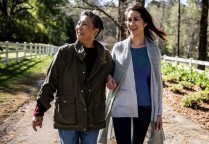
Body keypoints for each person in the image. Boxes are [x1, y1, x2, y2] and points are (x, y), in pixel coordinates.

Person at [32, 10, 114, 144]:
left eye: (85, 24)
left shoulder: (105, 57)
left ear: (95, 31)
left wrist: (109, 76)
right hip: (67, 117)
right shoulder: (64, 53)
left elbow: (113, 69)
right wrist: (38, 112)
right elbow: (50, 83)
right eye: (78, 23)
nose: (79, 27)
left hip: (93, 118)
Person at [98, 3, 166, 144]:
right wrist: (109, 78)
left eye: (136, 19)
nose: (131, 23)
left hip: (144, 106)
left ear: (145, 22)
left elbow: (157, 83)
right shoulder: (119, 48)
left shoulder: (153, 50)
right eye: (129, 19)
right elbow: (109, 70)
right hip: (121, 103)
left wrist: (158, 112)